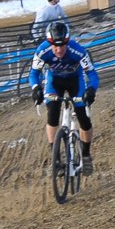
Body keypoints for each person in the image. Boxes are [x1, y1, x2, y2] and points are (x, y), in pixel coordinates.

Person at [28, 21, 99, 175]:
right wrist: (36, 88)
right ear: (49, 43)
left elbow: (92, 74)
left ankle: (86, 155)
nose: (59, 50)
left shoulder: (78, 51)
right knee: (52, 113)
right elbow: (34, 73)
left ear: (67, 42)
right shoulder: (42, 51)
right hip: (55, 82)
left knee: (83, 118)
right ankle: (55, 157)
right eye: (55, 46)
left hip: (75, 81)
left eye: (62, 45)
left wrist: (91, 90)